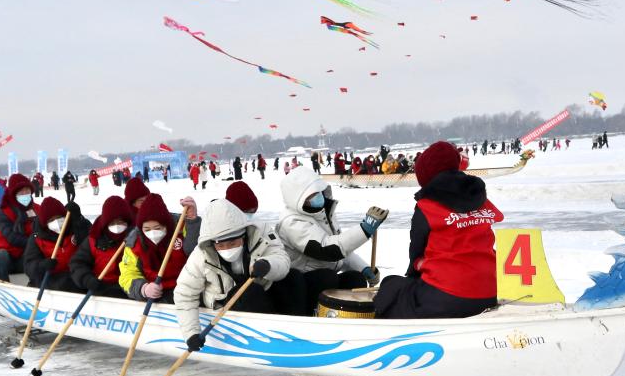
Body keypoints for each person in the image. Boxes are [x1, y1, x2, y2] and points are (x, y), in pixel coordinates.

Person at [375, 141, 504, 319]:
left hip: (447, 295)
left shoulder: (427, 205)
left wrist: (415, 270)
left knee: (391, 287)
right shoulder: (479, 199)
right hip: (490, 291)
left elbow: (417, 250)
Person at [175, 199, 307, 348]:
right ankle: (272, 339)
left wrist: (268, 265)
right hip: (225, 302)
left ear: (243, 236)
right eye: (221, 245)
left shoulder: (260, 234)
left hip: (262, 290)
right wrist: (191, 333)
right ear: (212, 243)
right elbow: (184, 294)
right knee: (251, 292)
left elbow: (281, 259)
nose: (227, 249)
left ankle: (299, 330)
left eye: (232, 243)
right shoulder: (200, 255)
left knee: (293, 277)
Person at [277, 166, 385, 312]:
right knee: (326, 277)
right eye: (310, 196)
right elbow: (327, 249)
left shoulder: (322, 214)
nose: (317, 197)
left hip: (326, 273)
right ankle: (315, 314)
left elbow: (340, 247)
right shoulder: (291, 222)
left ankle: (349, 314)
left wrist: (363, 268)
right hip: (300, 284)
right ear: (298, 199)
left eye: (317, 192)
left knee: (355, 278)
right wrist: (364, 230)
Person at [118, 194, 189, 304]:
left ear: (167, 225)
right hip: (155, 294)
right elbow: (127, 274)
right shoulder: (134, 243)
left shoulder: (181, 231)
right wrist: (143, 288)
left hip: (187, 291)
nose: (152, 233)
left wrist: (193, 222)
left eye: (157, 228)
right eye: (147, 229)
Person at [70, 196, 135, 298]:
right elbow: (77, 263)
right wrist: (87, 279)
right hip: (101, 289)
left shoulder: (135, 237)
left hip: (131, 289)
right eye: (112, 223)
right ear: (105, 223)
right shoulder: (94, 239)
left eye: (121, 222)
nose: (117, 226)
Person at [23, 197, 90, 292]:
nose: (57, 223)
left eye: (59, 218)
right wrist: (42, 265)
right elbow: (28, 266)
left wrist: (79, 220)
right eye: (51, 220)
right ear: (45, 223)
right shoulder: (36, 238)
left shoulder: (74, 229)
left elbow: (91, 237)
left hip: (76, 275)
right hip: (50, 280)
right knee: (64, 284)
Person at [0, 174, 40, 282]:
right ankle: (4, 288)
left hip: (24, 255)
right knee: (1, 255)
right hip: (5, 256)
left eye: (27, 191)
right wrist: (35, 241)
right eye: (21, 192)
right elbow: (12, 237)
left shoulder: (37, 209)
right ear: (14, 194)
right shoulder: (4, 212)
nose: (25, 194)